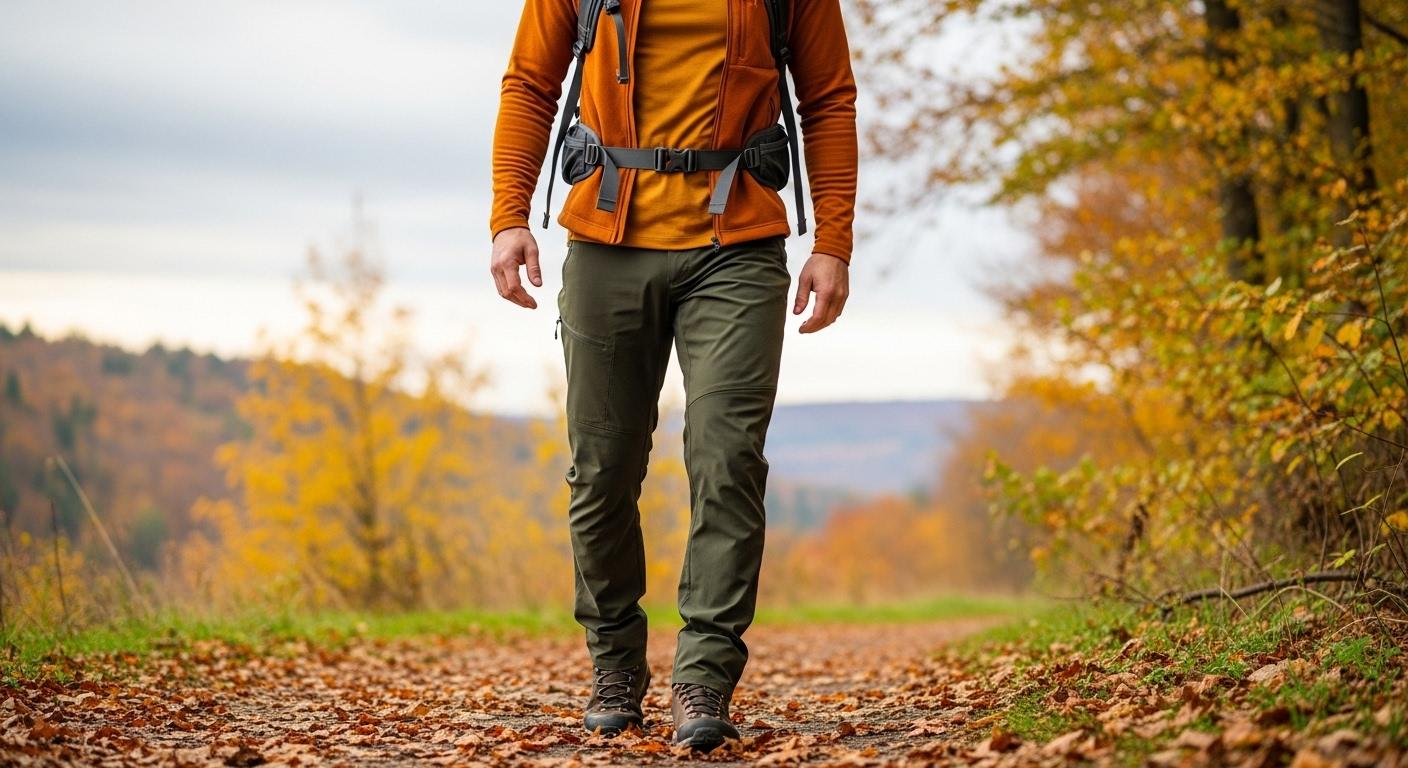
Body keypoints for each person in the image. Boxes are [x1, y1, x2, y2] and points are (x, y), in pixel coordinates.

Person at [488, 0, 857, 752]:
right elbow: (530, 83)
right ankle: (615, 664)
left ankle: (705, 674)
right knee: (601, 469)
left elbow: (828, 98)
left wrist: (835, 240)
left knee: (726, 457)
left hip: (739, 243)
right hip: (605, 235)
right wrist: (509, 215)